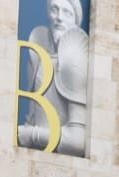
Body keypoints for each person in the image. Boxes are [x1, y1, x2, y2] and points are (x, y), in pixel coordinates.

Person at [17, 0, 90, 155]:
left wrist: (32, 135)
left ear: (75, 21)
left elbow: (78, 141)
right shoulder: (39, 56)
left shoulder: (74, 62)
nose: (59, 17)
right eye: (54, 10)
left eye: (67, 13)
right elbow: (31, 117)